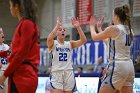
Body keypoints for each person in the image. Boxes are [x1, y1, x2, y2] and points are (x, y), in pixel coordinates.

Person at [90, 4, 135, 93]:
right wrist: (99, 29)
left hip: (118, 66)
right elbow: (110, 43)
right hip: (129, 67)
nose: (112, 18)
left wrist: (92, 26)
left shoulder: (114, 28)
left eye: (112, 15)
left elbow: (94, 37)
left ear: (116, 16)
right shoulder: (130, 30)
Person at [0, 0, 39, 93]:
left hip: (24, 76)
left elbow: (22, 53)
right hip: (17, 74)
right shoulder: (22, 24)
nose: (10, 8)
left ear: (16, 6)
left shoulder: (27, 24)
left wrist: (5, 74)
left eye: (10, 5)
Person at [47, 16, 87, 93]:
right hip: (56, 73)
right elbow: (49, 38)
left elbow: (83, 40)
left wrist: (78, 27)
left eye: (64, 30)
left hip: (68, 73)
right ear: (56, 33)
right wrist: (57, 25)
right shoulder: (53, 43)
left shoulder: (70, 43)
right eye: (60, 30)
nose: (63, 31)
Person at [0, 28, 10, 93]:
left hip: (6, 74)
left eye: (2, 32)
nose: (2, 34)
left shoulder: (6, 47)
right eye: (0, 32)